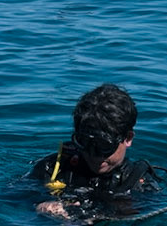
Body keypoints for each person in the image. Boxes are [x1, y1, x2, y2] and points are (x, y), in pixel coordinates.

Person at [30, 82, 157, 215]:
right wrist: (43, 204)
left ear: (128, 138)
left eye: (104, 146)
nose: (94, 155)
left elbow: (143, 215)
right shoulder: (53, 167)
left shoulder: (141, 185)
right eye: (85, 143)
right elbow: (16, 195)